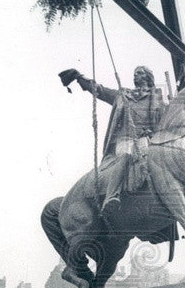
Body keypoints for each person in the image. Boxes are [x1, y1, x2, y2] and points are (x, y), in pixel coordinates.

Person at [58, 65, 166, 215]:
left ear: (148, 78)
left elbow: (171, 118)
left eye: (140, 73)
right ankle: (111, 196)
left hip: (147, 139)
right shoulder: (122, 95)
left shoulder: (157, 100)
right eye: (134, 73)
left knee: (165, 160)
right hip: (126, 139)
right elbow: (100, 91)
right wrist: (80, 78)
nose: (135, 76)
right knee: (126, 155)